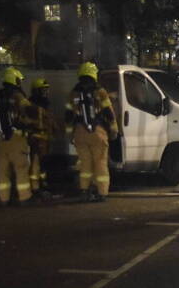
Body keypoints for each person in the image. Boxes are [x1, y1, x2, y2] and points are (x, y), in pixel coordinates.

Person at [0, 66, 36, 206]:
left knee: (3, 171)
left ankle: (4, 199)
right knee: (21, 168)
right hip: (16, 139)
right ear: (14, 80)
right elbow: (29, 111)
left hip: (1, 139)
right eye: (18, 80)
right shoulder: (18, 96)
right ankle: (25, 198)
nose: (19, 83)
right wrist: (31, 124)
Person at [64, 61, 118, 202]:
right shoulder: (100, 91)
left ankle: (84, 190)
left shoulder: (73, 93)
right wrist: (114, 129)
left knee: (85, 163)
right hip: (98, 132)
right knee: (100, 163)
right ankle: (102, 192)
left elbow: (68, 116)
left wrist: (70, 134)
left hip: (80, 132)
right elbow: (109, 112)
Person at [27, 78, 53, 199]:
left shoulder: (44, 104)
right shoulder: (30, 105)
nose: (46, 92)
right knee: (36, 164)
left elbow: (49, 120)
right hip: (36, 137)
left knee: (43, 164)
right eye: (43, 90)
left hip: (44, 138)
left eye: (46, 90)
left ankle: (42, 185)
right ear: (36, 91)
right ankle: (35, 188)